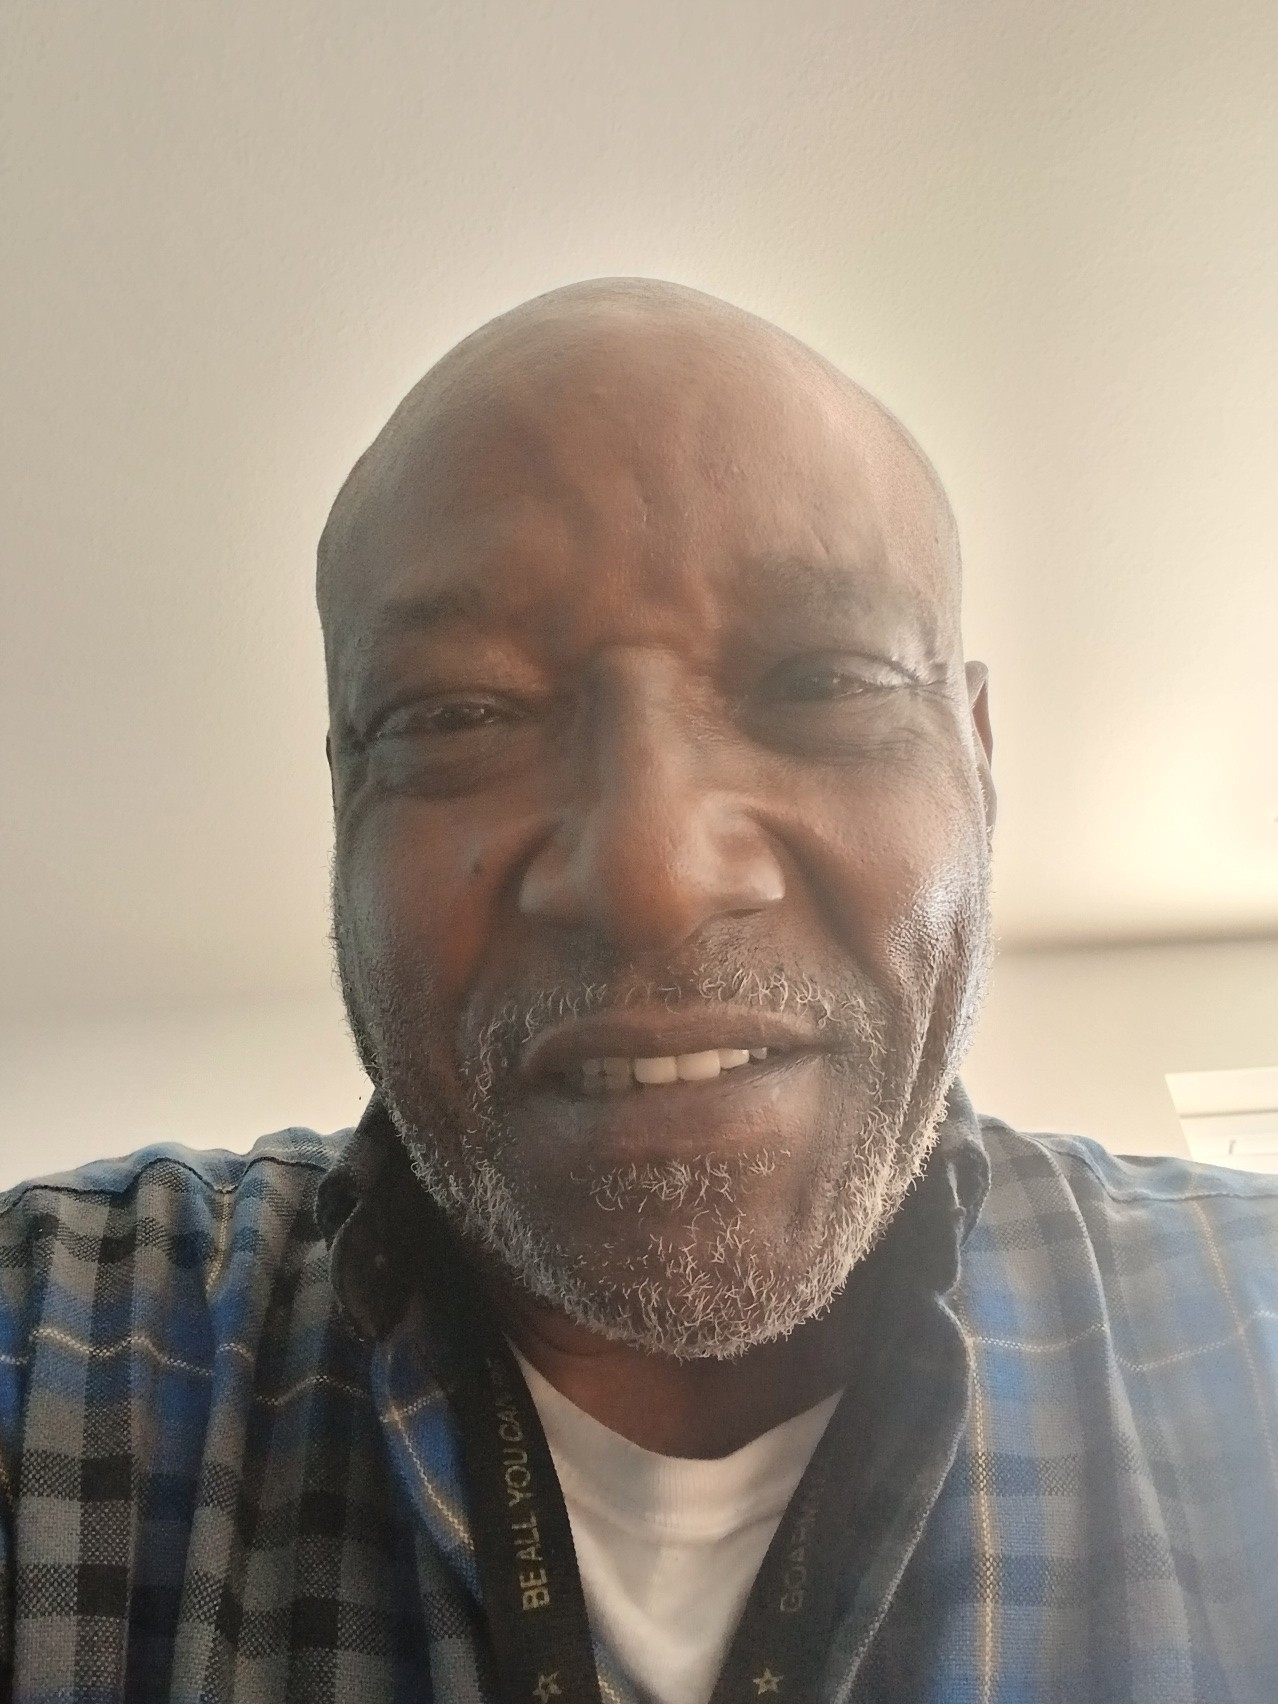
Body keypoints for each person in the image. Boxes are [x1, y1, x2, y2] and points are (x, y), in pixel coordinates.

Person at [1, 280, 1275, 1704]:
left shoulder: (1253, 1324)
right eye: (457, 713)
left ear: (975, 761)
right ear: (346, 797)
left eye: (822, 680)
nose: (652, 874)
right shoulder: (56, 1355)